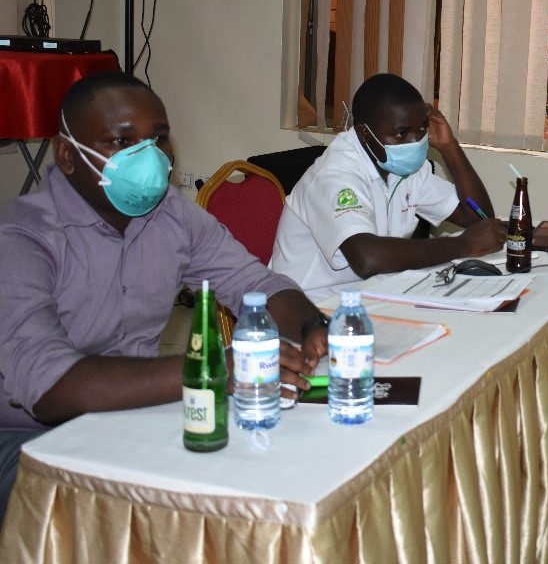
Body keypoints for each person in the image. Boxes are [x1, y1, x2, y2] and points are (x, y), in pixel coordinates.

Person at [0, 72, 329, 525]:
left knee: (274, 465)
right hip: (27, 439)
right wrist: (211, 370)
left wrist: (312, 326)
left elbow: (255, 283)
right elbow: (50, 387)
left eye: (158, 138)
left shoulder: (171, 215)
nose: (149, 156)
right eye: (122, 141)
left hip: (135, 415)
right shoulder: (22, 237)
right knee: (168, 513)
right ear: (67, 154)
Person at [270, 73, 507, 301]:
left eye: (422, 129)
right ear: (365, 133)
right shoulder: (336, 174)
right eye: (402, 133)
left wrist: (450, 148)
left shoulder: (406, 168)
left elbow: (478, 218)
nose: (415, 142)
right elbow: (368, 259)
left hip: (372, 295)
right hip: (310, 306)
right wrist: (463, 245)